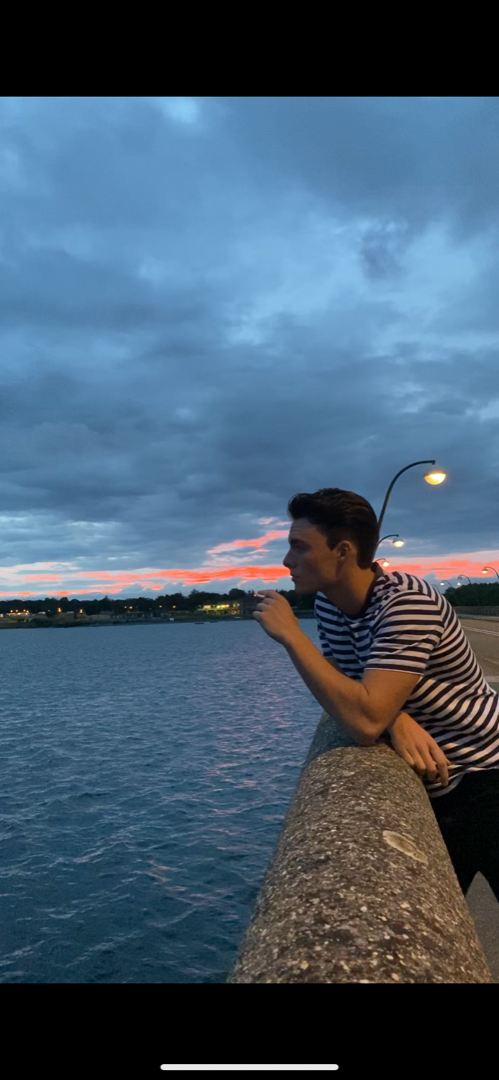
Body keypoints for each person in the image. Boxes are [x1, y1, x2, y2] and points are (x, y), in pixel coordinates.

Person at [253, 487, 499, 900]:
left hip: (484, 774)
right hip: (436, 782)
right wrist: (396, 717)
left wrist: (292, 636)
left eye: (300, 546)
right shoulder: (330, 604)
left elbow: (365, 722)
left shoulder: (406, 603)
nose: (287, 561)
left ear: (343, 552)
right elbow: (345, 683)